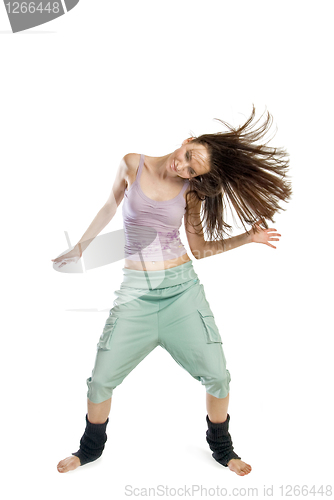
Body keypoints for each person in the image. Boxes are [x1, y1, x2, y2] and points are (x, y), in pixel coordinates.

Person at [53, 105, 292, 476]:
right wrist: (81, 247)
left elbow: (198, 250)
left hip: (182, 293)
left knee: (218, 375)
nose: (184, 167)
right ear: (188, 140)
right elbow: (107, 207)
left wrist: (249, 237)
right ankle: (90, 449)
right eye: (189, 157)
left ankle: (223, 449)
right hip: (135, 293)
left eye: (193, 169)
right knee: (100, 380)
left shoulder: (190, 192)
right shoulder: (133, 163)